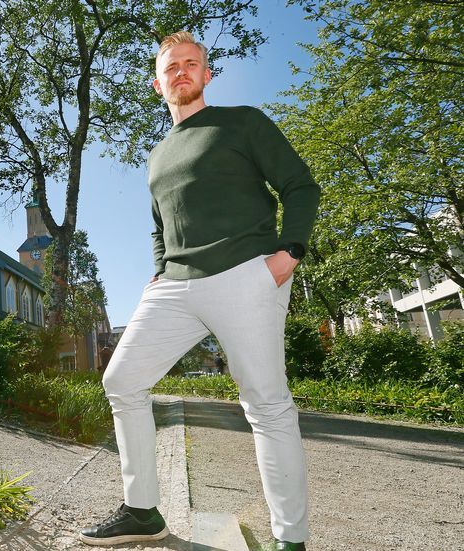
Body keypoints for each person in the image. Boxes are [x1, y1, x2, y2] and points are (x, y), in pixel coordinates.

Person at [78, 31, 320, 551]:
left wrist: (289, 253)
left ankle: (290, 540)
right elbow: (159, 223)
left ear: (207, 74)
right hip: (175, 285)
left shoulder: (242, 123)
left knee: (266, 404)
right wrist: (159, 269)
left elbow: (300, 186)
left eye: (191, 63)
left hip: (245, 274)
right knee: (122, 380)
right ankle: (143, 511)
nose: (182, 72)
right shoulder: (157, 156)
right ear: (157, 83)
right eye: (171, 67)